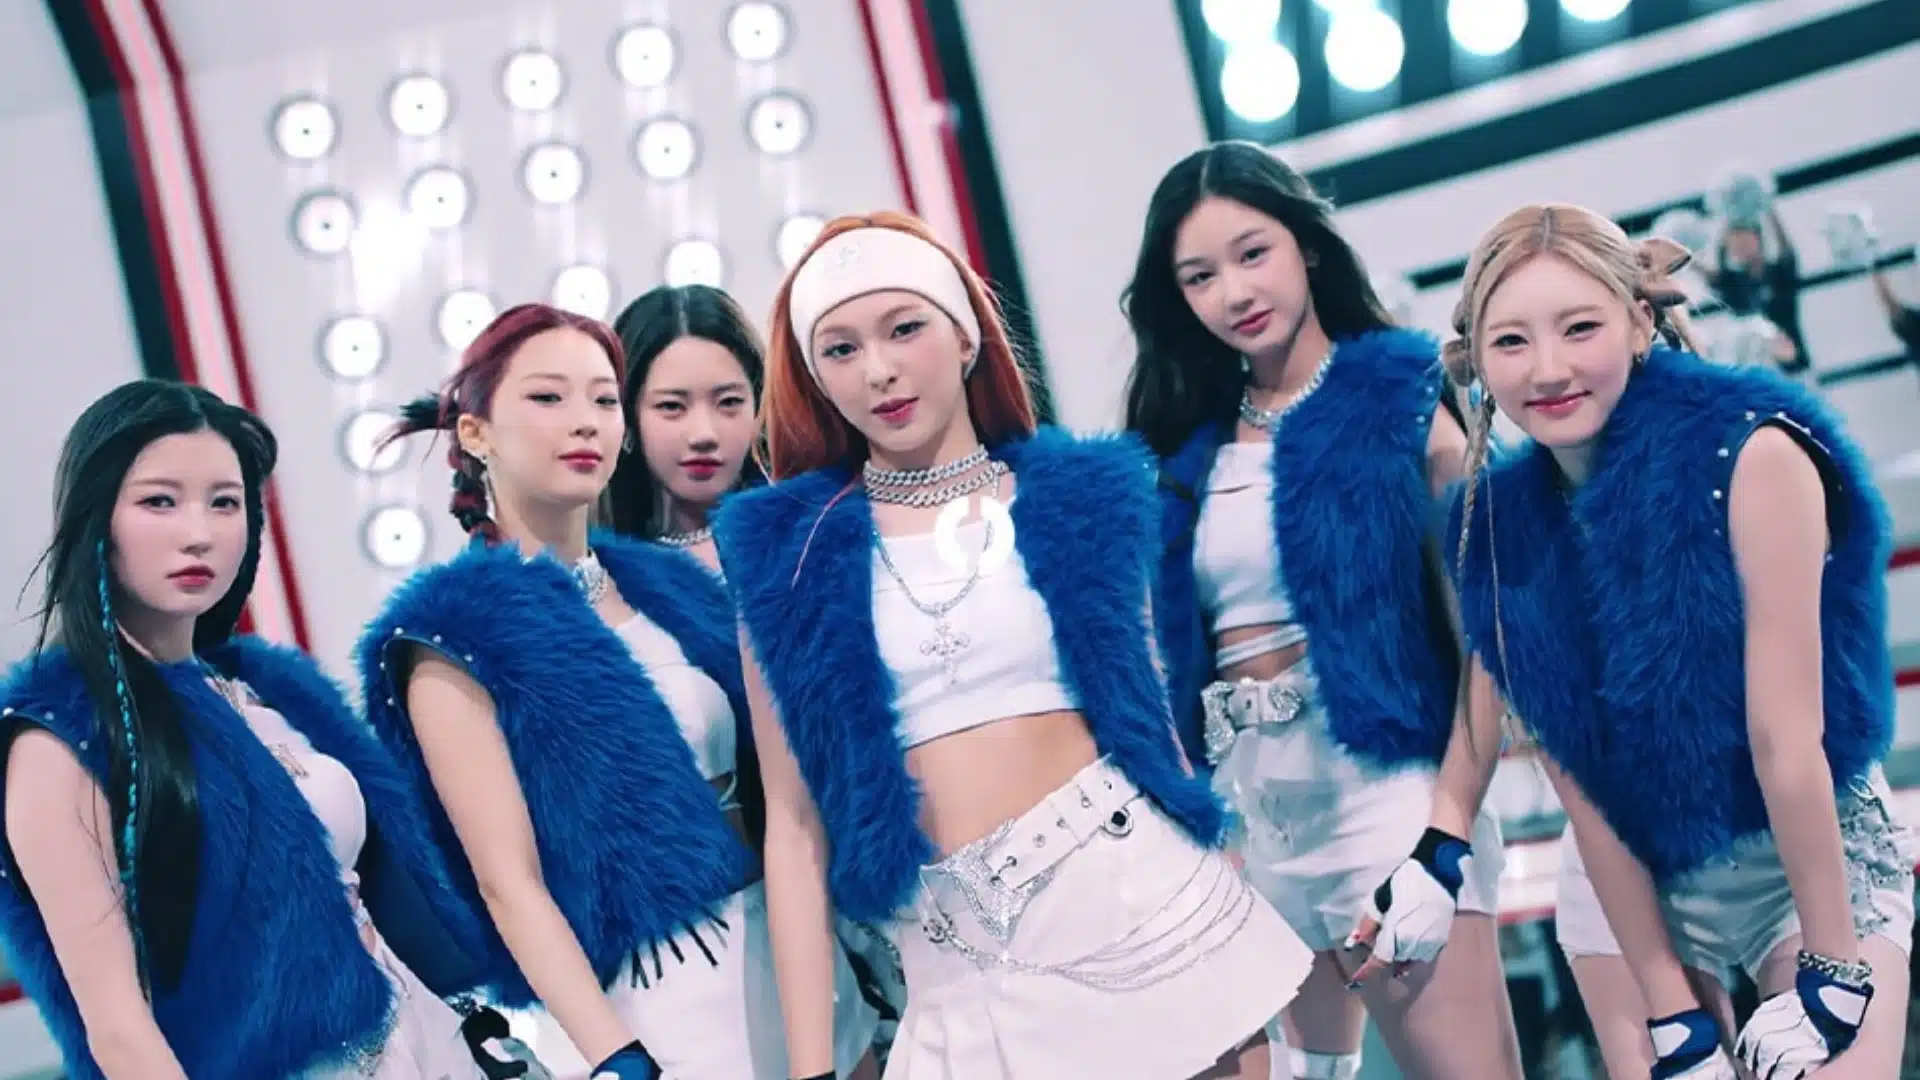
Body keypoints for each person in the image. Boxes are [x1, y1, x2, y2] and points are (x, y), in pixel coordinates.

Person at [713, 210, 1312, 1080]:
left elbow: (1145, 719)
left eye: (904, 328)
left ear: (965, 336)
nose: (878, 369)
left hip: (1142, 901)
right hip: (958, 966)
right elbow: (796, 829)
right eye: (839, 349)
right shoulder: (787, 556)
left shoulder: (1079, 497)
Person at [1446, 204, 1915, 1080]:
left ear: (1638, 322)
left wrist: (1833, 968)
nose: (1548, 369)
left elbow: (1786, 740)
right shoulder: (1499, 530)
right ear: (1476, 359)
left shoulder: (1751, 454)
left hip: (1803, 847)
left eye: (1579, 327)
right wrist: (1671, 1013)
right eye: (1511, 342)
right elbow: (1583, 790)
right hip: (1633, 871)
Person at [358, 302, 877, 1080]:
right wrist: (619, 1059)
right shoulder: (450, 633)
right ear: (476, 432)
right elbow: (509, 884)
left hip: (798, 958)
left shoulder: (672, 583)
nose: (585, 421)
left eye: (604, 399)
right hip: (653, 998)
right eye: (548, 396)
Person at [1123, 141, 1522, 1080]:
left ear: (1305, 244)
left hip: (1387, 798)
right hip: (1250, 821)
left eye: (1252, 253)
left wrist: (1444, 837)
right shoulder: (1181, 447)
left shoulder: (1401, 399)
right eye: (1199, 276)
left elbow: (1490, 641)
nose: (1234, 292)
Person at [1, 380, 492, 1080]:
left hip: (425, 1044)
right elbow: (119, 1033)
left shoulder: (267, 691)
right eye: (159, 501)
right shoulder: (60, 742)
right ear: (96, 519)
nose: (198, 533)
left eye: (224, 502)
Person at [607, 282, 910, 1064]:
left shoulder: (819, 535)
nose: (704, 433)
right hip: (727, 937)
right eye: (671, 407)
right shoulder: (605, 588)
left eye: (728, 402)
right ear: (627, 420)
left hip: (893, 880)